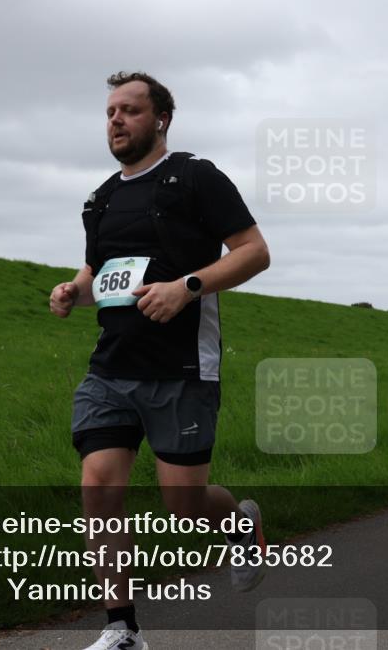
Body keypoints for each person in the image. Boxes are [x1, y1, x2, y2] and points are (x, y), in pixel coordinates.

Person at [49, 71, 271, 650]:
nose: (115, 121)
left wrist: (188, 286)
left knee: (186, 508)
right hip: (111, 367)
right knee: (99, 484)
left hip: (182, 368)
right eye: (110, 112)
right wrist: (75, 291)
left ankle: (240, 524)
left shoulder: (196, 177)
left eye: (129, 110)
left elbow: (254, 252)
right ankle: (121, 628)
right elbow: (102, 274)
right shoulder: (100, 199)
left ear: (161, 119)